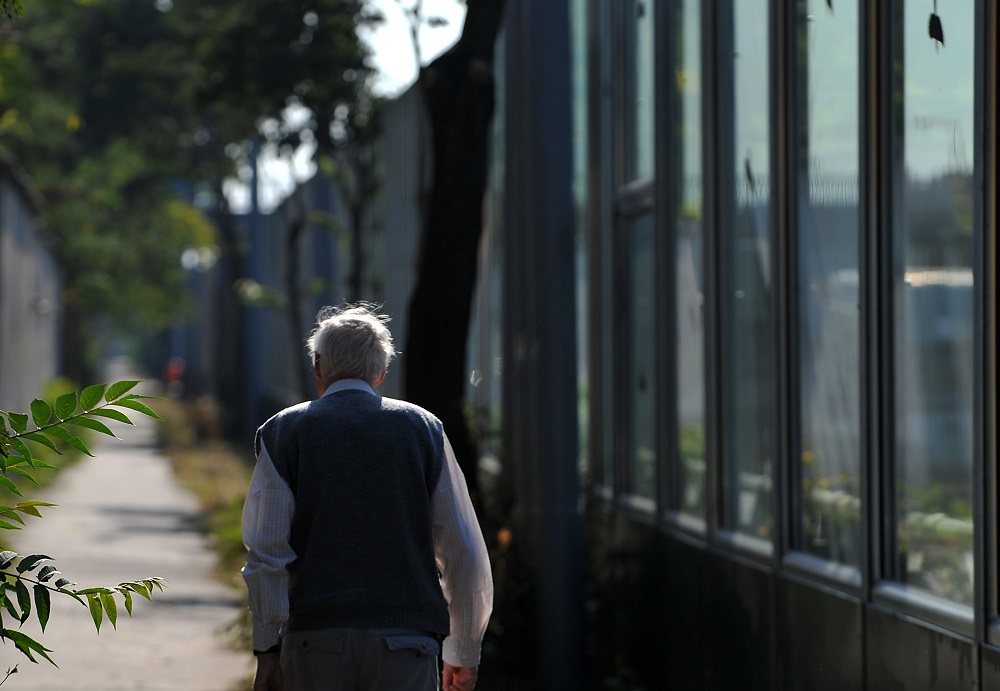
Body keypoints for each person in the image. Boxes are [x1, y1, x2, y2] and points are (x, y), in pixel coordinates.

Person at [242, 303, 494, 691]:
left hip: (315, 644)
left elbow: (266, 553)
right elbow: (464, 551)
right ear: (381, 373)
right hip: (407, 645)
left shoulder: (285, 432)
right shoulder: (423, 430)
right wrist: (463, 652)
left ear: (318, 366)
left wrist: (267, 650)